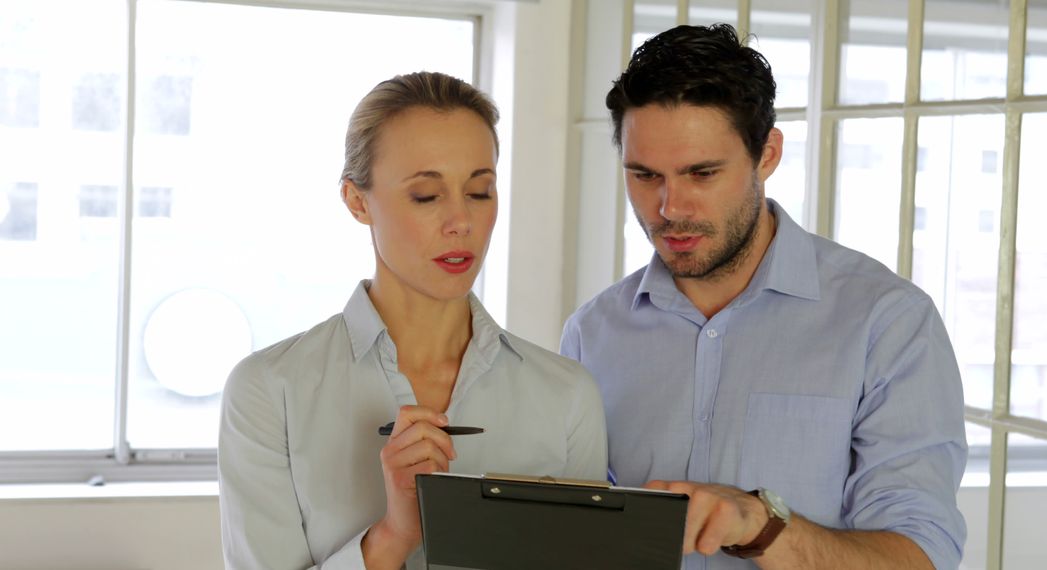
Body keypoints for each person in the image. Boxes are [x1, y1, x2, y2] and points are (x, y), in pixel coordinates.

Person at [560, 23, 967, 570]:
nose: (670, 207)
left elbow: (920, 556)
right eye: (644, 174)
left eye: (701, 173)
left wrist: (763, 528)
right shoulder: (592, 332)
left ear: (767, 154)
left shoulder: (887, 323)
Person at [218, 71, 607, 570]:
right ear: (358, 202)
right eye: (427, 196)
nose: (461, 222)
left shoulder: (567, 396)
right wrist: (390, 538)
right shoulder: (269, 392)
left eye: (480, 192)